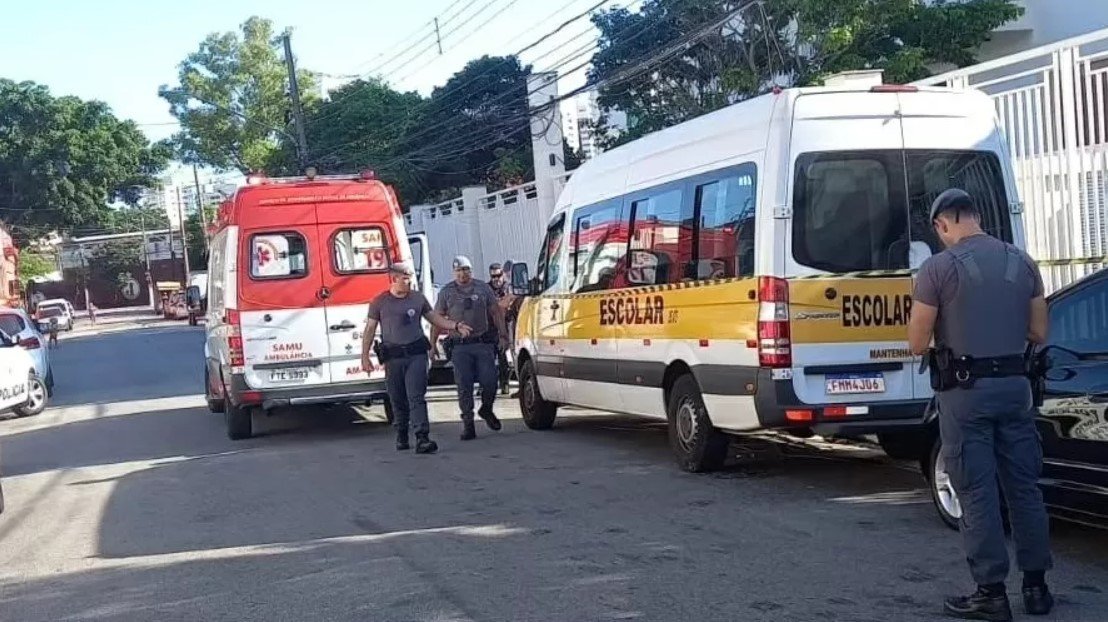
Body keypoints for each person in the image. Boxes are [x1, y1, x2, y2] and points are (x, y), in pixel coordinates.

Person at [908, 188, 1053, 621]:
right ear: (976, 216)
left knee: (976, 490)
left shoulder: (937, 268)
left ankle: (991, 592)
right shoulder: (1023, 262)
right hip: (1016, 390)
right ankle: (1037, 589)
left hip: (965, 394)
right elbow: (1038, 332)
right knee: (1024, 487)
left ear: (942, 225)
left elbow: (916, 341)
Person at [363, 262, 471, 455]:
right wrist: (364, 356)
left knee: (416, 396)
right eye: (405, 278)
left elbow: (434, 318)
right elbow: (370, 329)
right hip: (393, 358)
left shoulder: (417, 299)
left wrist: (455, 326)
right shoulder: (380, 302)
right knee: (397, 398)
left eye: (410, 277)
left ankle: (422, 437)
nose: (409, 281)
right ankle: (402, 433)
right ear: (394, 278)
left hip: (416, 355)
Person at [431, 255, 509, 441]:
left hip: (482, 343)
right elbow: (437, 319)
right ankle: (468, 423)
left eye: (465, 269)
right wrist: (432, 344)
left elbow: (496, 312)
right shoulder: (447, 292)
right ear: (454, 272)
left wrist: (503, 335)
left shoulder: (482, 288)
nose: (462, 274)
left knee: (490, 381)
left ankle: (486, 409)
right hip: (460, 347)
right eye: (458, 270)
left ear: (470, 270)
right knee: (464, 385)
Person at [487, 262, 514, 395]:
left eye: (498, 275)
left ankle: (505, 383)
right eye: (493, 276)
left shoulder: (509, 288)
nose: (496, 279)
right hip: (490, 328)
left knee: (504, 358)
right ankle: (487, 385)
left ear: (503, 274)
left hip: (506, 326)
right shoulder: (487, 289)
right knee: (488, 360)